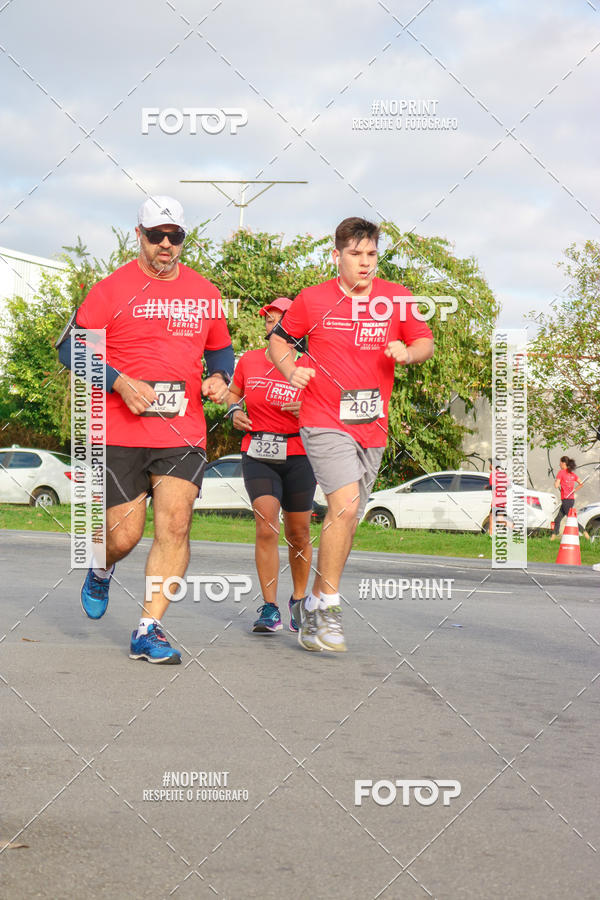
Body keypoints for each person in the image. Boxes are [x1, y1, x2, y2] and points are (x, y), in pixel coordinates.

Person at [57, 196, 234, 663]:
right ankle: (100, 566)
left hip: (182, 432)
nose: (165, 244)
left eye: (174, 236)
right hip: (119, 431)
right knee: (123, 537)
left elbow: (220, 350)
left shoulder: (205, 292)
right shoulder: (111, 290)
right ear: (139, 234)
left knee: (175, 526)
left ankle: (148, 629)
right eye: (156, 235)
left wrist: (219, 377)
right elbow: (68, 351)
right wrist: (117, 381)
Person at [269, 217, 434, 653]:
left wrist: (408, 352)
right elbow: (279, 341)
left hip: (372, 425)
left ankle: (313, 602)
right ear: (336, 256)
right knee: (344, 504)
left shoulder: (396, 298)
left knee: (350, 515)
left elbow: (425, 341)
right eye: (356, 254)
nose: (365, 263)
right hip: (323, 418)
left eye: (372, 255)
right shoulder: (313, 298)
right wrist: (292, 370)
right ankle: (329, 610)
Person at [227, 298, 317, 635]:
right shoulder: (249, 361)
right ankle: (269, 607)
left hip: (299, 453)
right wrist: (234, 412)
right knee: (266, 526)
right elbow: (232, 394)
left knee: (299, 533)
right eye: (270, 321)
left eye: (283, 320)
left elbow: (331, 406)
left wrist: (307, 410)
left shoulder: (309, 363)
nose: (275, 326)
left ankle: (298, 600)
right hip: (259, 451)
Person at [551, 456, 589, 540]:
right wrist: (574, 490)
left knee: (572, 519)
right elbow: (581, 483)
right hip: (570, 500)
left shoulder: (561, 472)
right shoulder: (572, 474)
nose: (559, 464)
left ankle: (586, 534)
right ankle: (553, 537)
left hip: (566, 500)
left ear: (563, 463)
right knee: (557, 519)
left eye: (560, 462)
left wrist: (556, 480)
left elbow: (556, 486)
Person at [486, 459, 509, 535]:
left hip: (496, 499)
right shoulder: (503, 474)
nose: (489, 465)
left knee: (492, 516)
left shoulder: (493, 474)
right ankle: (510, 530)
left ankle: (491, 534)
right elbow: (508, 485)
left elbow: (493, 485)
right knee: (499, 517)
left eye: (490, 464)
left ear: (492, 465)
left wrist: (487, 487)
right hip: (503, 499)